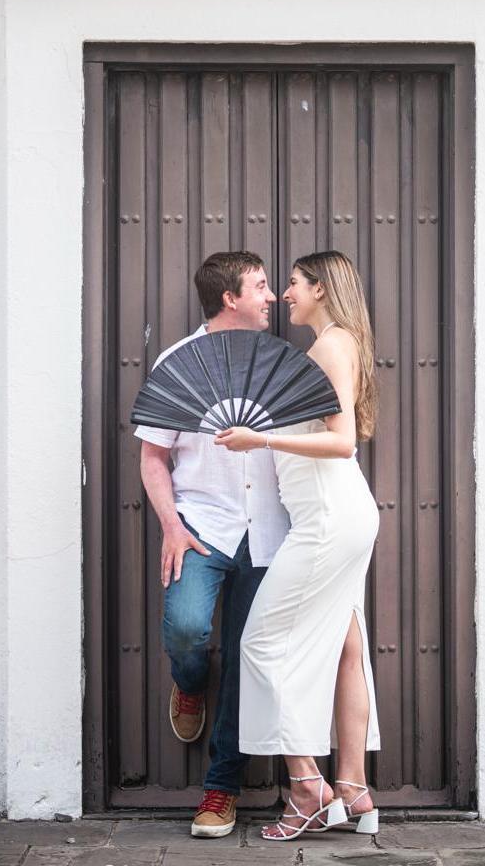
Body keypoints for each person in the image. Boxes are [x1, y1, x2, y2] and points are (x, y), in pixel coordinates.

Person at [213, 250, 382, 841]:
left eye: (293, 283)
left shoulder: (332, 345)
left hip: (328, 516)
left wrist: (259, 439)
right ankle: (355, 788)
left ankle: (308, 787)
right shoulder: (334, 344)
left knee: (261, 642)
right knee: (343, 645)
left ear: (321, 288)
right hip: (337, 512)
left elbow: (341, 443)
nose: (286, 294)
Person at [134, 251, 290, 839]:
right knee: (188, 629)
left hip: (269, 532)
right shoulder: (177, 363)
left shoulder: (278, 362)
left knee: (248, 661)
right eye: (261, 286)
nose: (271, 296)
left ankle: (220, 790)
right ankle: (190, 681)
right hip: (201, 525)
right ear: (231, 298)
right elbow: (152, 455)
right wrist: (173, 527)